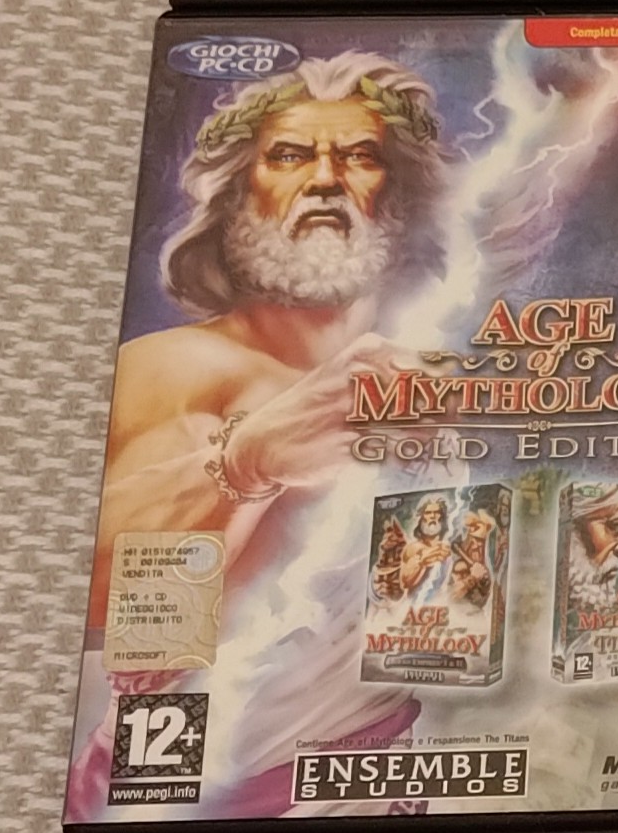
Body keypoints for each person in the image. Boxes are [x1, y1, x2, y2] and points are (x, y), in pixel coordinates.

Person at [90, 54, 447, 634]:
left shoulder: (428, 369)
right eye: (288, 156)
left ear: (399, 196)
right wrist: (243, 465)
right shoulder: (176, 367)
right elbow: (111, 606)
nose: (326, 180)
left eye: (360, 156)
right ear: (237, 193)